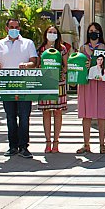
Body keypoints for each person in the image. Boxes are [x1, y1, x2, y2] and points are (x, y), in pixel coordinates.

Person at [0, 18, 38, 159]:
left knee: (24, 117)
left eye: (17, 27)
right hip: (7, 86)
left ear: (20, 28)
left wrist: (27, 65)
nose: (14, 29)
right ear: (6, 28)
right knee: (10, 117)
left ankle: (24, 146)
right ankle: (12, 146)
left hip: (24, 85)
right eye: (11, 26)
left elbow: (34, 61)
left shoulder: (28, 43)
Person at [77, 23, 105, 154]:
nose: (93, 32)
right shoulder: (82, 48)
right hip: (87, 84)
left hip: (101, 83)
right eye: (91, 30)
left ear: (100, 32)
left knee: (102, 114)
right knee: (86, 115)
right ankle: (86, 144)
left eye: (96, 30)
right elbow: (77, 65)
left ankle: (102, 144)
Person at [37, 25, 68, 154]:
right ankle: (47, 141)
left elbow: (66, 66)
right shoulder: (41, 49)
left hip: (59, 83)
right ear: (45, 34)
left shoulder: (62, 49)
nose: (52, 34)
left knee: (58, 112)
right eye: (50, 32)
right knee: (46, 112)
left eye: (54, 32)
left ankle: (56, 141)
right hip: (45, 83)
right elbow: (38, 65)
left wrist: (63, 72)